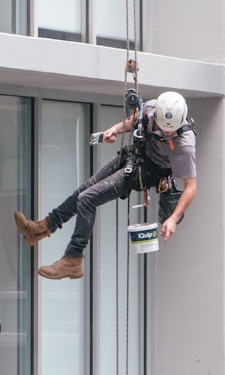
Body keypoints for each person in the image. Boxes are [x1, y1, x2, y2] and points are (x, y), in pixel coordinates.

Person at [14, 91, 197, 280]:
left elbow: (191, 186)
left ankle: (73, 259)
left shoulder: (184, 144)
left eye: (170, 132)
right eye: (162, 128)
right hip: (134, 157)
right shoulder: (151, 109)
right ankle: (42, 228)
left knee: (87, 199)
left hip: (147, 173)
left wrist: (173, 219)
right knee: (84, 190)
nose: (166, 133)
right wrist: (115, 130)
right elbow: (135, 120)